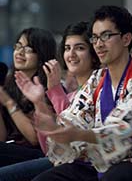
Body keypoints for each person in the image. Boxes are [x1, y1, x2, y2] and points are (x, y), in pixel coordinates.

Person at [18, 5, 132, 181]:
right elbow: (74, 119)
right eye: (95, 38)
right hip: (96, 162)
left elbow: (122, 131)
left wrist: (76, 134)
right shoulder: (97, 79)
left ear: (126, 38)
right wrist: (45, 111)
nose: (98, 44)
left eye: (106, 36)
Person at [0, 21, 100, 181]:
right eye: (67, 48)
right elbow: (49, 145)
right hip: (55, 157)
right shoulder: (12, 84)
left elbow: (44, 141)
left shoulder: (86, 90)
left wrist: (45, 97)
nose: (71, 54)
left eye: (79, 48)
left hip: (78, 162)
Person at [0, 27, 57, 167]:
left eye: (28, 49)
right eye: (18, 46)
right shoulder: (9, 86)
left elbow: (34, 139)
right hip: (8, 150)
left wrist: (8, 102)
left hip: (36, 156)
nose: (19, 52)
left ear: (41, 55)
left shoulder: (49, 89)